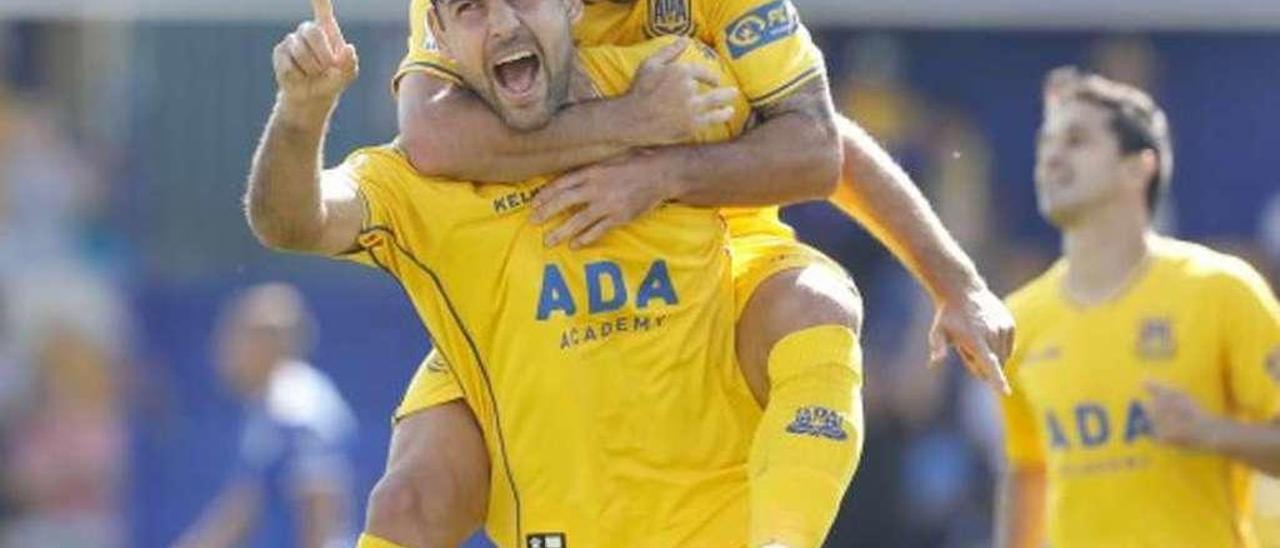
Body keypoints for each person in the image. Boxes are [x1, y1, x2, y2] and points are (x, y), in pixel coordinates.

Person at [377, 0, 1015, 543]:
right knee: (409, 500)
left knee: (815, 304)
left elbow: (820, 145)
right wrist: (636, 123)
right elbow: (432, 136)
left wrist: (661, 175)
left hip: (715, 247)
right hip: (530, 272)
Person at [996, 67, 1280, 548]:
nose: (1051, 156)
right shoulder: (1020, 319)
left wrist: (1212, 432)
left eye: (1076, 140)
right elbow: (1029, 472)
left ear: (1137, 167)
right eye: (1046, 142)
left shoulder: (1219, 289)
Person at [176, 283, 356, 548]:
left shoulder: (297, 407)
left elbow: (321, 504)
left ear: (266, 343)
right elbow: (244, 506)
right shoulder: (270, 404)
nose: (224, 351)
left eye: (235, 337)